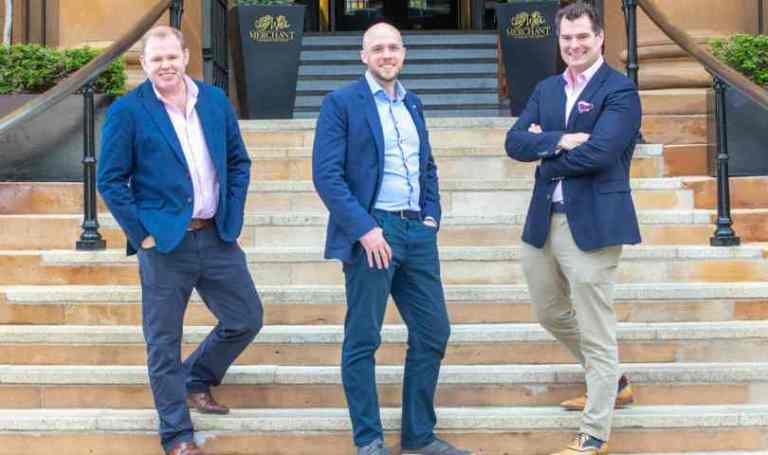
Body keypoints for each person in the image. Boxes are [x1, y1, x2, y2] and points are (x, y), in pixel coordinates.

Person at [97, 25, 263, 455]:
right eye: (156, 59)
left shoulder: (214, 101)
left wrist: (232, 212)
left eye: (172, 57)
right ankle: (177, 436)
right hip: (165, 245)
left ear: (186, 56)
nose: (166, 65)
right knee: (163, 342)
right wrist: (143, 234)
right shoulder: (128, 111)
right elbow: (110, 180)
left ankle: (196, 378)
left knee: (246, 318)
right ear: (144, 64)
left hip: (216, 235)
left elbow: (238, 161)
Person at [312, 21, 472, 455]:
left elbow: (427, 167)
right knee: (363, 337)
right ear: (363, 56)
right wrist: (365, 229)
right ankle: (369, 440)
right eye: (378, 48)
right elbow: (326, 176)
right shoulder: (341, 103)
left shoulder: (412, 103)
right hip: (373, 232)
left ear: (403, 53)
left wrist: (432, 216)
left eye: (393, 47)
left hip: (416, 232)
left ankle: (418, 436)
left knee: (433, 330)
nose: (386, 55)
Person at [504, 2, 641, 455]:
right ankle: (613, 381)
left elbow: (602, 152)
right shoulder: (546, 89)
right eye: (567, 38)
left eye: (582, 36)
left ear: (600, 37)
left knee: (597, 330)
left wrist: (545, 158)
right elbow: (514, 142)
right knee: (549, 312)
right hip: (543, 222)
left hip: (595, 223)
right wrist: (559, 139)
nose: (574, 45)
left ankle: (594, 434)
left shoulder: (620, 90)